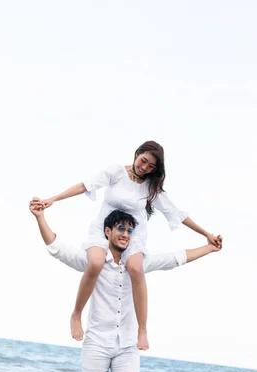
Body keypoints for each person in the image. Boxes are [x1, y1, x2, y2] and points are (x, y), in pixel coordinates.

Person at [29, 201, 222, 372]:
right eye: (120, 229)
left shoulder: (137, 265)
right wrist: (40, 217)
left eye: (130, 231)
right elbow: (58, 248)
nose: (125, 235)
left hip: (127, 344)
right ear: (107, 232)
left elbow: (176, 258)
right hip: (97, 340)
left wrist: (209, 248)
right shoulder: (93, 261)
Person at [31, 141, 222, 351]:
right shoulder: (116, 172)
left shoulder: (151, 188)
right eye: (144, 161)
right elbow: (85, 185)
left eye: (151, 167)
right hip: (104, 229)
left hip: (132, 234)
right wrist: (53, 199)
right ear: (137, 154)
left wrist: (206, 234)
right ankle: (76, 314)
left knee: (136, 268)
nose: (145, 168)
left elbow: (176, 214)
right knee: (94, 263)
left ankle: (141, 329)